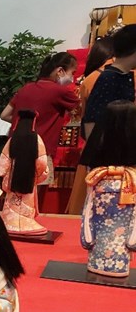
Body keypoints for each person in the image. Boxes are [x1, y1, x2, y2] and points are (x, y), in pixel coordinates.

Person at [80, 101, 136, 277]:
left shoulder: (100, 145)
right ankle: (118, 263)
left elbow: (90, 165)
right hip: (129, 187)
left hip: (101, 185)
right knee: (124, 228)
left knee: (98, 225)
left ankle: (97, 261)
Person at [0, 52, 79, 164]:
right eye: (73, 73)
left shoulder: (26, 88)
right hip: (41, 151)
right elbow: (82, 111)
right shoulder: (61, 91)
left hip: (16, 149)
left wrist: (28, 123)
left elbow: (4, 115)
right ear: (60, 71)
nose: (72, 78)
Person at [66, 37, 116, 214]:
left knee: (88, 199)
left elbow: (84, 116)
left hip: (94, 143)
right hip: (125, 145)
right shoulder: (130, 76)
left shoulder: (89, 79)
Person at [0, 109, 49, 235]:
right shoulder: (36, 139)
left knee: (12, 199)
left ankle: (9, 222)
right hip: (29, 176)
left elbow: (5, 158)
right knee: (26, 198)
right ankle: (25, 222)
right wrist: (40, 174)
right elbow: (41, 162)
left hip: (13, 176)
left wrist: (3, 173)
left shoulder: (13, 139)